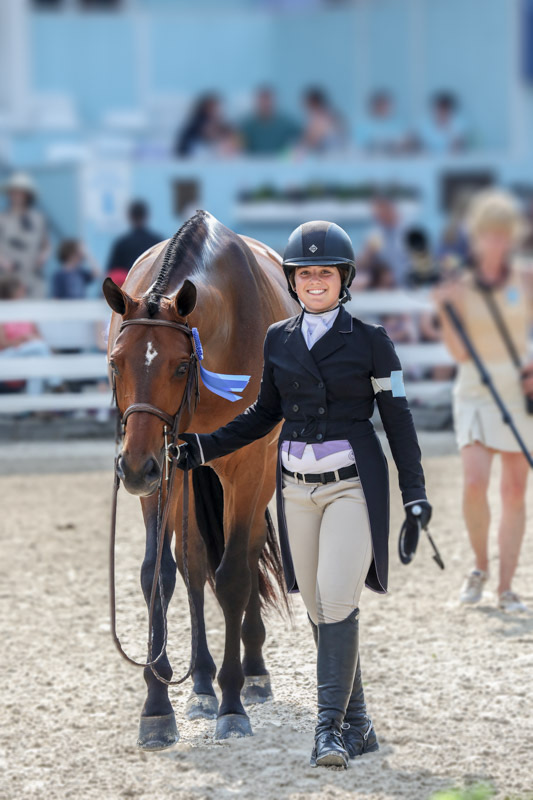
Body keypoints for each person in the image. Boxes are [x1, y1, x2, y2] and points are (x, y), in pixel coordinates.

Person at [176, 220, 431, 769]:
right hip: (295, 491)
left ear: (344, 279)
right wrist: (199, 449)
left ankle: (329, 730)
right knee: (317, 606)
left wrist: (415, 495)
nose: (315, 282)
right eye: (305, 274)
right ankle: (359, 722)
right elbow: (262, 415)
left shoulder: (372, 342)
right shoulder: (278, 340)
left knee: (336, 599)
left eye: (326, 273)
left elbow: (400, 423)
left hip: (351, 487)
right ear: (293, 282)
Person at [433, 189, 533, 612]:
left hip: (518, 387)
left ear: (511, 237)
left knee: (513, 490)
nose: (494, 242)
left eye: (502, 234)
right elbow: (457, 354)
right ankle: (479, 566)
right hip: (475, 387)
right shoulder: (460, 288)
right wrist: (443, 312)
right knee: (474, 483)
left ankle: (507, 586)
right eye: (487, 234)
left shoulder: (526, 279)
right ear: (475, 238)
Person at [0, 172, 50, 298]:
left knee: (34, 311)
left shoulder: (38, 219)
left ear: (27, 195)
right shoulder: (3, 219)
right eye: (14, 192)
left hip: (32, 277)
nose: (17, 196)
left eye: (20, 192)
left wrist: (43, 257)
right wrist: (4, 262)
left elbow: (46, 245)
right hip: (9, 279)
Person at [106, 201, 163, 285]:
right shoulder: (158, 242)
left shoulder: (122, 243)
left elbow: (113, 273)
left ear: (130, 217)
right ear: (146, 216)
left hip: (128, 291)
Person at [175, 93, 240, 158]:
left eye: (217, 108)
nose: (217, 110)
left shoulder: (221, 124)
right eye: (213, 108)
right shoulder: (196, 124)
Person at [364, 194, 409, 287]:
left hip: (409, 285)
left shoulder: (408, 232)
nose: (379, 216)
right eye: (377, 214)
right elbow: (365, 264)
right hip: (387, 288)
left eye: (382, 212)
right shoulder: (375, 235)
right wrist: (369, 253)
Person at [240, 86, 300, 155]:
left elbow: (302, 139)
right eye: (262, 101)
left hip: (279, 162)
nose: (265, 105)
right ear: (257, 102)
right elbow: (236, 144)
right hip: (255, 163)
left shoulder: (285, 123)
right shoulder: (248, 125)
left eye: (268, 101)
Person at [298, 87, 346, 154]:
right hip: (338, 155)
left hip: (330, 157)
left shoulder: (320, 120)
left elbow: (309, 143)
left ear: (312, 104)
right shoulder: (333, 116)